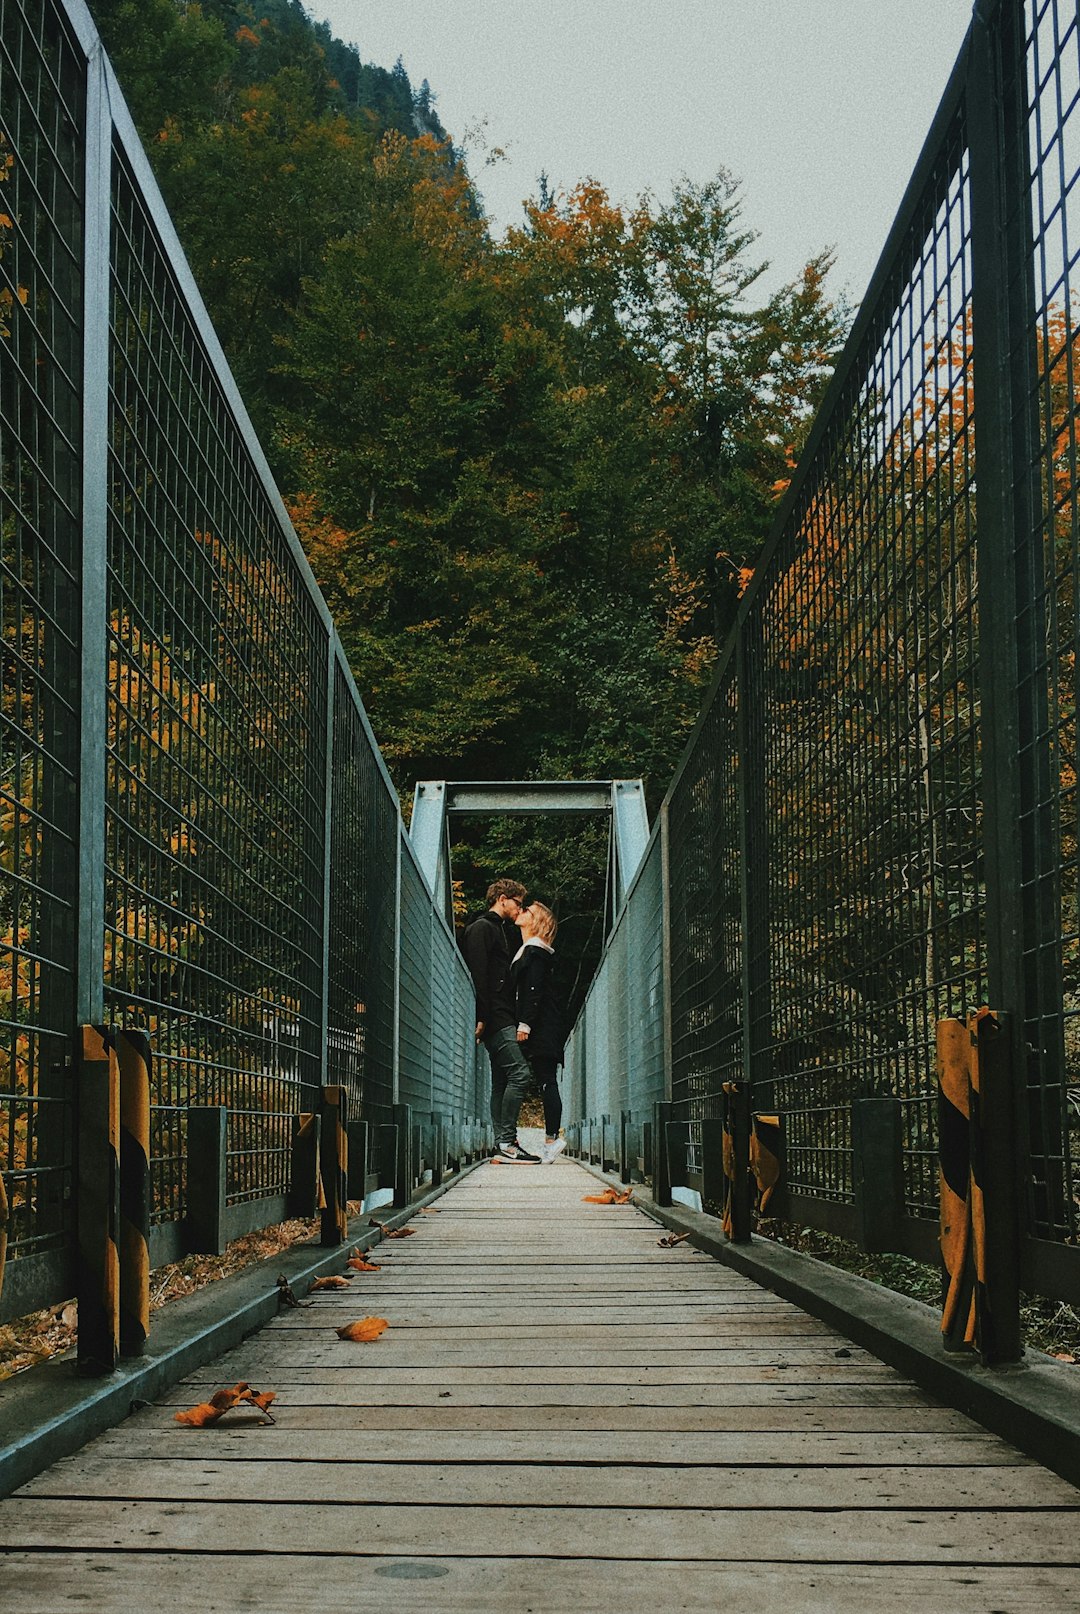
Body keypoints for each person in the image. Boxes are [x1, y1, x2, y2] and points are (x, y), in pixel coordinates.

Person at [461, 878, 541, 1163]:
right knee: (520, 1074)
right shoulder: (483, 928)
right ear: (503, 898)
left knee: (501, 1080)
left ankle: (502, 1143)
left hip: (497, 1013)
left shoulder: (494, 929)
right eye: (517, 903)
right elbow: (478, 975)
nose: (519, 910)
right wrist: (482, 1015)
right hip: (495, 1015)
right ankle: (507, 1141)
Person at [511, 901, 567, 1165]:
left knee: (546, 1079)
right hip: (544, 1026)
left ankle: (551, 1140)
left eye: (527, 911)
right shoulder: (533, 951)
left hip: (540, 1027)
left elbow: (531, 991)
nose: (521, 911)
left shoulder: (535, 953)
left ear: (537, 922)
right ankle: (550, 1139)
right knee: (546, 1079)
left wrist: (524, 1024)